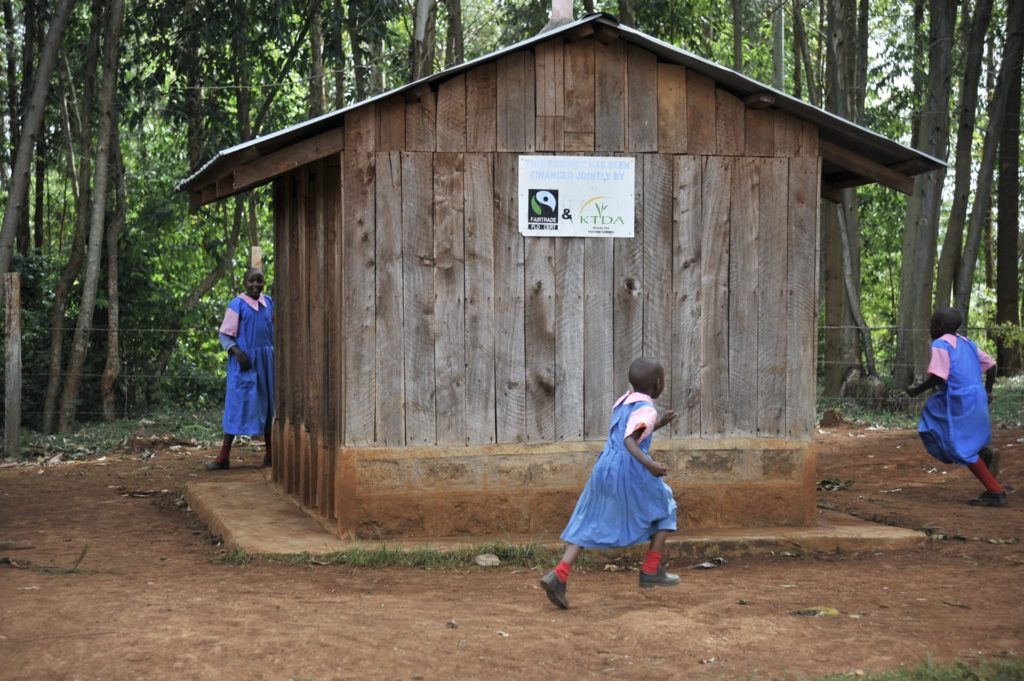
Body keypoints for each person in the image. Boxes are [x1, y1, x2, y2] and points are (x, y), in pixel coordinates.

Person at [540, 357, 679, 609]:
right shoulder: (647, 409)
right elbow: (630, 441)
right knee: (666, 506)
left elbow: (630, 431)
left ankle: (559, 574)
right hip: (630, 470)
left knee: (590, 517)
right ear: (659, 384)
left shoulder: (624, 401)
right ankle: (651, 568)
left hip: (605, 466)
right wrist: (650, 466)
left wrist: (659, 425)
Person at [906, 306, 1005, 506]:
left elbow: (938, 376)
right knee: (941, 422)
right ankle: (981, 453)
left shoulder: (941, 344)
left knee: (960, 447)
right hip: (974, 396)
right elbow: (991, 365)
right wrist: (987, 390)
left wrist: (917, 390)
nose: (930, 327)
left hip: (960, 399)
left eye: (932, 323)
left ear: (940, 327)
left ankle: (995, 491)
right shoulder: (966, 342)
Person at [206, 267, 275, 471]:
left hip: (267, 363)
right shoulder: (237, 305)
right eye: (251, 281)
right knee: (237, 406)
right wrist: (237, 352)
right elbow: (225, 335)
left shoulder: (269, 302)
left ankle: (270, 455)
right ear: (245, 283)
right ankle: (223, 457)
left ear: (264, 283)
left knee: (269, 406)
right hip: (244, 363)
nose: (255, 285)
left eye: (259, 281)